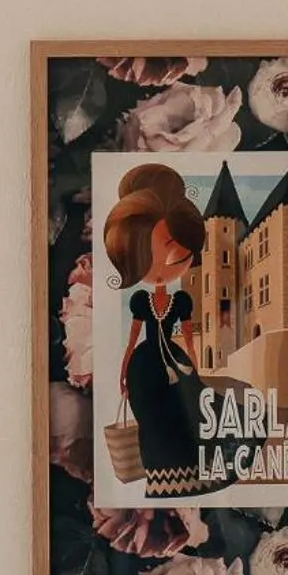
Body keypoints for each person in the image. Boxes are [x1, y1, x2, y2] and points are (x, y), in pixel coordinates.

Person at [103, 164, 207, 498]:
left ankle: (189, 476)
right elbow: (133, 339)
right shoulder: (139, 301)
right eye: (156, 251)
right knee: (152, 423)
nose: (173, 256)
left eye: (178, 247)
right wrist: (122, 373)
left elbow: (189, 338)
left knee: (182, 418)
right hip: (144, 368)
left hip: (174, 364)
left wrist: (195, 368)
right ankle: (159, 479)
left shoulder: (180, 300)